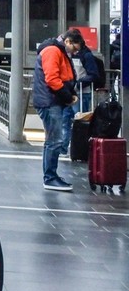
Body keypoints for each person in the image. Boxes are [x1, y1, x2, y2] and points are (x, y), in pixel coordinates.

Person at [32, 30, 83, 191]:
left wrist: (70, 94)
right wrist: (68, 97)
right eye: (75, 47)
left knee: (53, 140)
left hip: (52, 101)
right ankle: (50, 177)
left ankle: (51, 175)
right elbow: (52, 79)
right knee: (54, 141)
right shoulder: (53, 51)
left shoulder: (58, 51)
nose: (76, 52)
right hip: (50, 102)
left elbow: (64, 77)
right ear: (67, 41)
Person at [60, 28, 102, 156]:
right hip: (70, 92)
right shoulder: (69, 54)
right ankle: (64, 148)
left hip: (82, 93)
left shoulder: (86, 55)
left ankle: (77, 148)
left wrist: (78, 84)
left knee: (78, 122)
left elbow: (93, 74)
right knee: (65, 120)